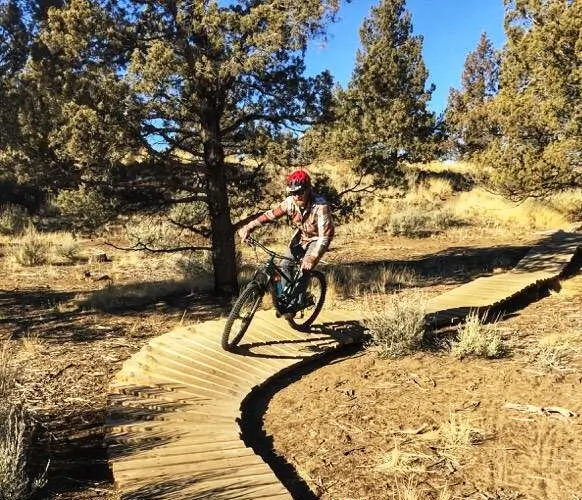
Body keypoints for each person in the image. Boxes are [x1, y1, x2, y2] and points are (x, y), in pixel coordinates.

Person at [238, 169, 334, 311]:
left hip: (317, 239)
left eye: (300, 192)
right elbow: (270, 215)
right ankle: (285, 298)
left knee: (304, 270)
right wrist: (249, 227)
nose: (296, 196)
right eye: (293, 192)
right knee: (284, 265)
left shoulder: (321, 206)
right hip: (301, 237)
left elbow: (325, 236)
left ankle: (296, 303)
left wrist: (312, 258)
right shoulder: (290, 202)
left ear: (308, 189)